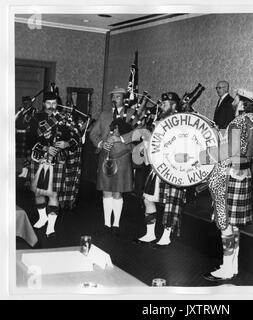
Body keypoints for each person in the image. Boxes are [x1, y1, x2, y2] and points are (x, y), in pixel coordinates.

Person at [201, 88, 253, 281]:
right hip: (244, 176)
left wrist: (201, 157)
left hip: (230, 176)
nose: (232, 101)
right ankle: (232, 265)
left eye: (236, 99)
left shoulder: (238, 122)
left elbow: (229, 149)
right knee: (234, 225)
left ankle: (226, 269)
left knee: (225, 223)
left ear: (241, 102)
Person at [134, 92, 187, 248]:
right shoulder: (158, 121)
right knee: (148, 198)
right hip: (156, 167)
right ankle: (150, 233)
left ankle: (166, 236)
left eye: (165, 104)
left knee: (171, 203)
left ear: (174, 105)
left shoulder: (181, 122)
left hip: (173, 167)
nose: (161, 106)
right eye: (162, 104)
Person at [29, 91, 82, 237]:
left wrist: (66, 143)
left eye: (54, 103)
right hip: (39, 159)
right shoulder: (36, 118)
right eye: (48, 103)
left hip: (57, 160)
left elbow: (77, 137)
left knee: (53, 194)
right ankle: (42, 218)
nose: (51, 106)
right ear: (43, 103)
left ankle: (51, 226)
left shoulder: (66, 119)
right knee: (38, 192)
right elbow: (29, 139)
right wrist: (45, 148)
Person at [89, 86, 136, 237]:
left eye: (117, 96)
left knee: (118, 191)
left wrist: (121, 139)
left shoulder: (131, 115)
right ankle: (106, 222)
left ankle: (116, 223)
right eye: (113, 97)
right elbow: (93, 134)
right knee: (106, 190)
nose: (114, 99)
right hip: (106, 157)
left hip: (122, 157)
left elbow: (138, 133)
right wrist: (102, 144)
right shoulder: (104, 115)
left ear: (124, 98)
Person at [16, 95, 37, 178]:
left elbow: (32, 123)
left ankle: (26, 172)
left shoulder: (34, 111)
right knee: (23, 155)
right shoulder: (20, 111)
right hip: (20, 135)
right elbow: (16, 122)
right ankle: (24, 171)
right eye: (24, 103)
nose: (26, 104)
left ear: (31, 103)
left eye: (27, 103)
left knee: (28, 155)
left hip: (29, 136)